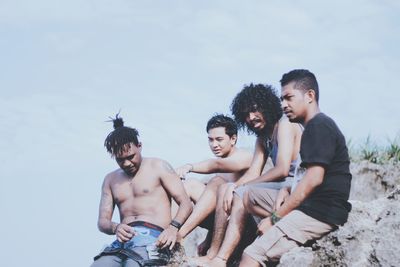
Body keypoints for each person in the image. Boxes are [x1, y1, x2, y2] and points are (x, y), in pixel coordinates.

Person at [239, 69, 352, 267]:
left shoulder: (319, 125)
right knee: (250, 200)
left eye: (289, 98)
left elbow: (314, 179)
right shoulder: (313, 127)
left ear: (310, 95)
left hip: (319, 213)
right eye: (282, 99)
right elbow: (306, 175)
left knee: (252, 254)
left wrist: (275, 218)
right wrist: (286, 188)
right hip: (311, 208)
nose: (283, 105)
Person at [194, 84, 302, 267]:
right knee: (226, 188)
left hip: (297, 184)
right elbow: (254, 171)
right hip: (282, 186)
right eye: (246, 114)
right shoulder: (262, 137)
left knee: (240, 192)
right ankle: (214, 254)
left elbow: (283, 169)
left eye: (254, 110)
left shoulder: (284, 123)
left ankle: (221, 258)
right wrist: (234, 186)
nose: (251, 118)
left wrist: (241, 187)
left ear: (267, 106)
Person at [90, 115, 192, 267]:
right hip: (121, 243)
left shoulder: (159, 166)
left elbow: (186, 203)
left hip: (153, 238)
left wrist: (172, 228)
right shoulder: (110, 179)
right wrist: (116, 227)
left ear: (139, 146)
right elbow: (102, 222)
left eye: (130, 157)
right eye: (120, 159)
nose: (127, 163)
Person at [174, 114, 253, 255]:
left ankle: (180, 235)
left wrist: (189, 166)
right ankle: (169, 231)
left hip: (243, 221)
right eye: (210, 140)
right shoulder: (222, 167)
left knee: (216, 183)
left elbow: (216, 164)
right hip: (223, 220)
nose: (214, 145)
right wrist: (207, 240)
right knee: (188, 185)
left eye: (219, 139)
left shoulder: (244, 156)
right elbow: (215, 206)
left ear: (233, 139)